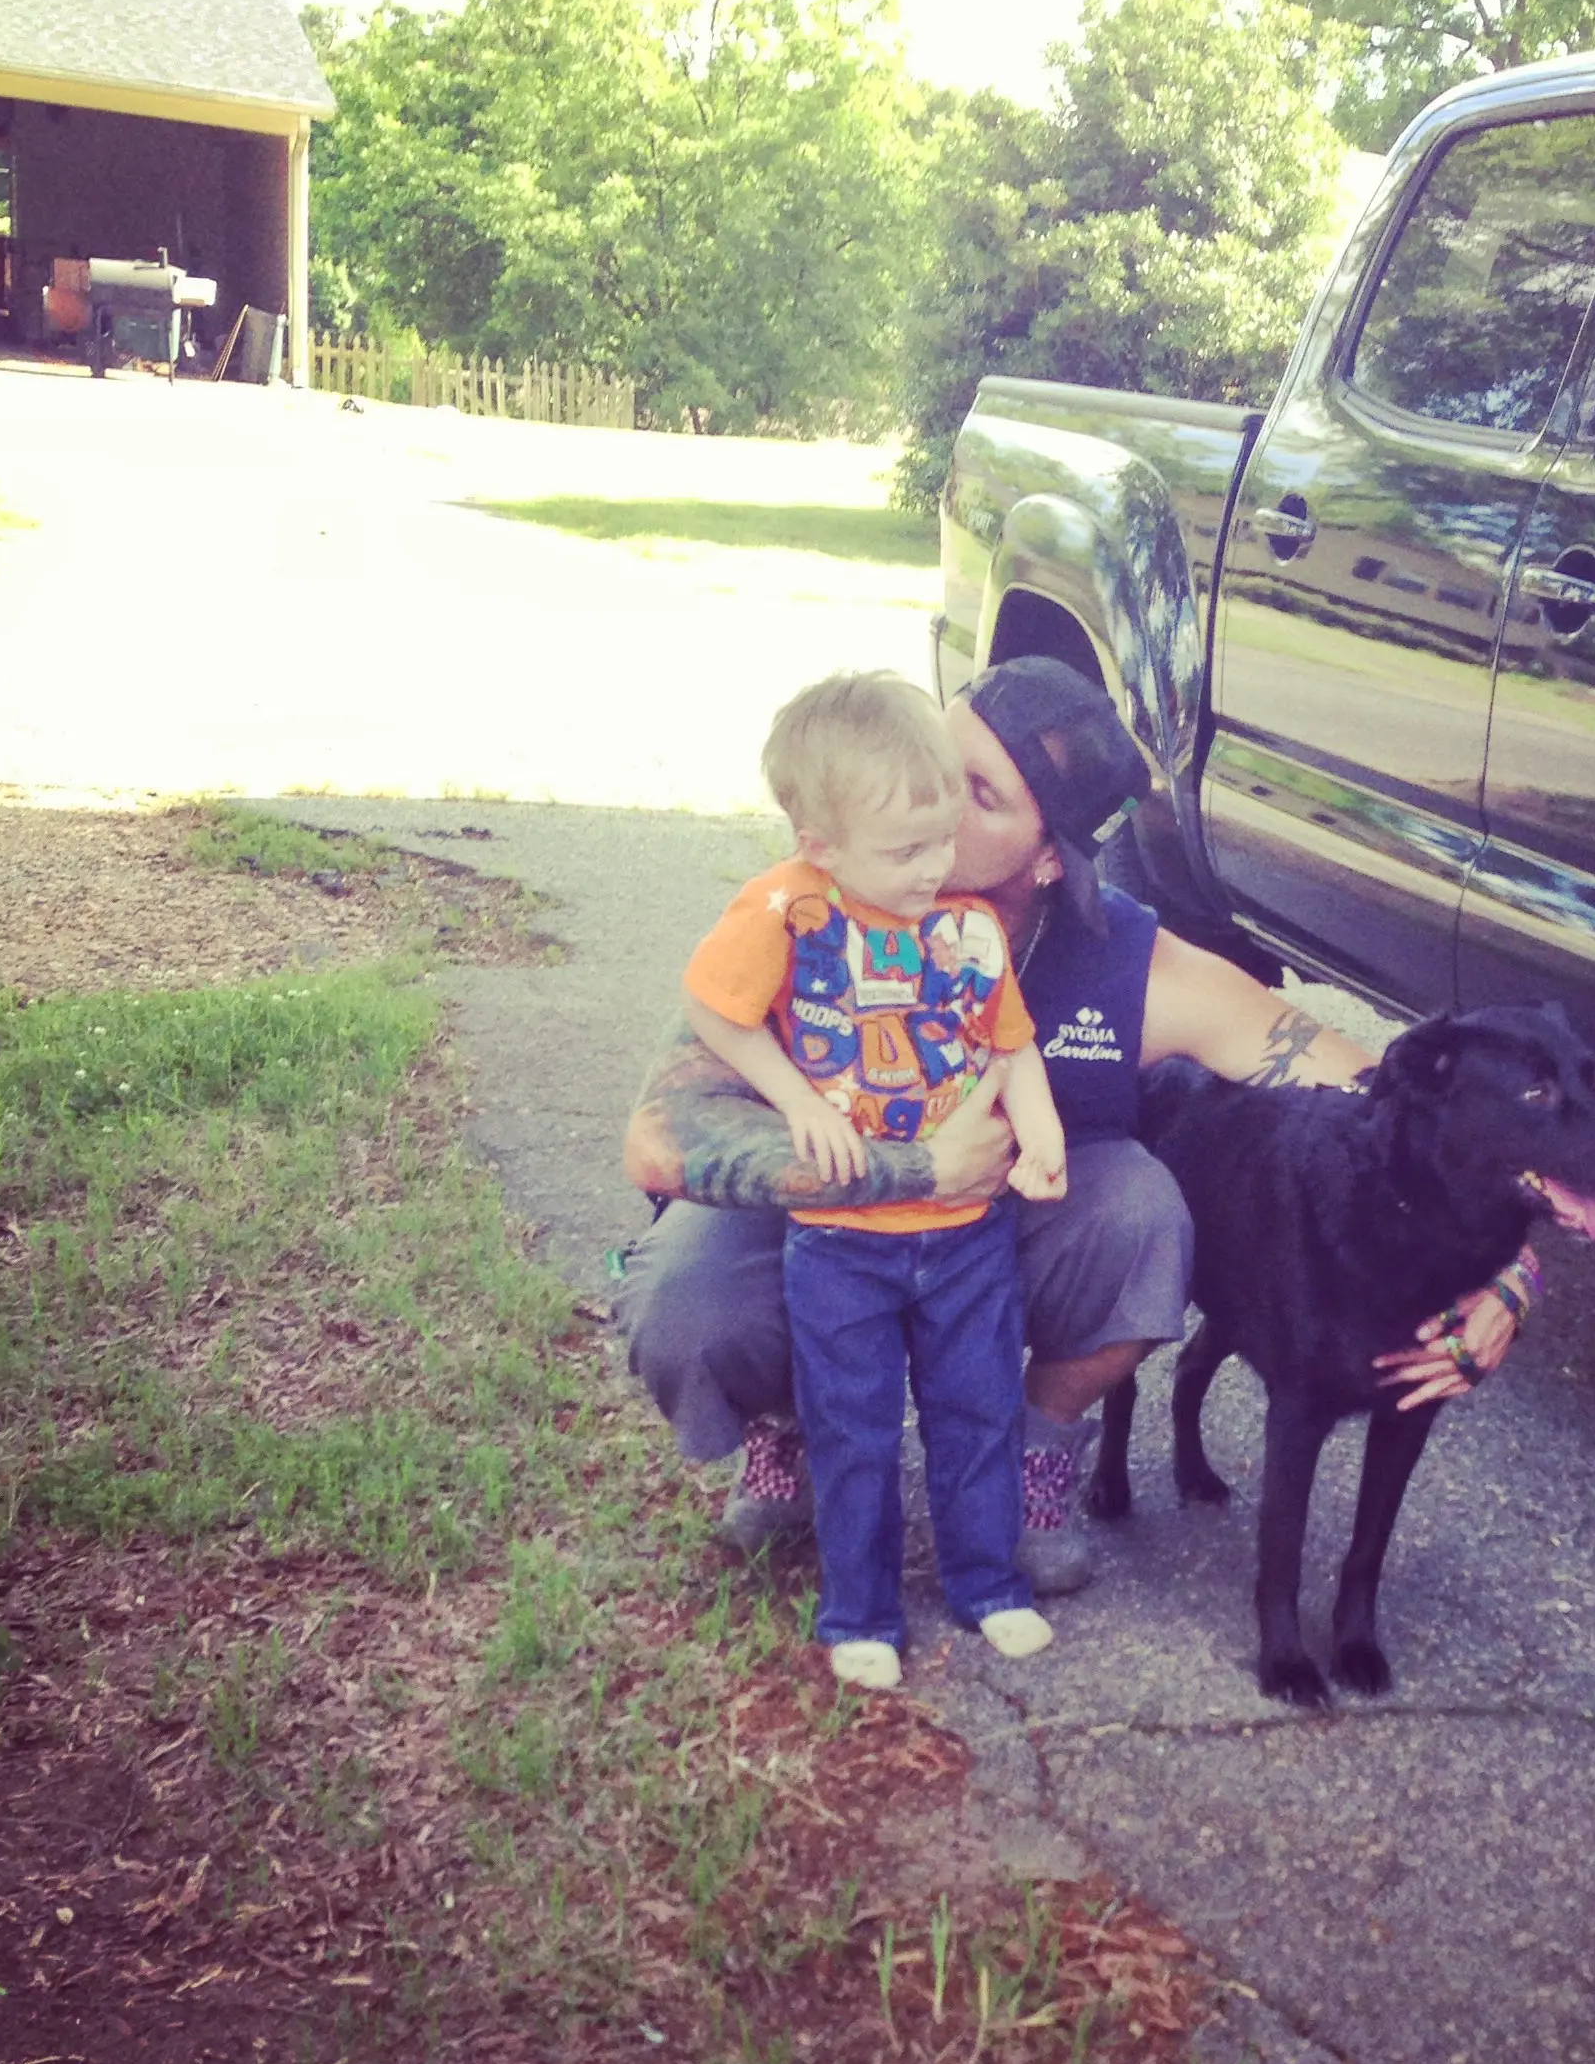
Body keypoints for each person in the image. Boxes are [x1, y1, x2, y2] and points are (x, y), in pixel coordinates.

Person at [620, 655, 1539, 1593]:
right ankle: (794, 1428)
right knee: (686, 1311)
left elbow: (1391, 1093)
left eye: (977, 793)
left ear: (1050, 855)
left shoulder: (1134, 968)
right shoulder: (810, 899)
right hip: (817, 1222)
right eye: (934, 758)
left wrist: (1511, 1267)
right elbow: (659, 1138)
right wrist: (916, 1169)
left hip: (995, 1235)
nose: (929, 796)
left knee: (1147, 1214)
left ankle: (1033, 1449)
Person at [679, 671, 1063, 1690]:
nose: (937, 867)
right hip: (842, 1240)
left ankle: (987, 1585)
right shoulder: (786, 912)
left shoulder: (968, 928)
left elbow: (1012, 1045)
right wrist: (798, 1097)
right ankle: (861, 1610)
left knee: (976, 1410)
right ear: (821, 842)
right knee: (851, 1425)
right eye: (906, 852)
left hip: (968, 1232)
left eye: (943, 840)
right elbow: (714, 1009)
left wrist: (1041, 1133)